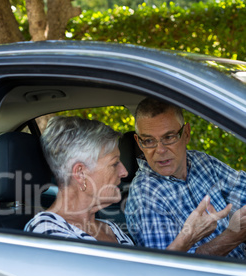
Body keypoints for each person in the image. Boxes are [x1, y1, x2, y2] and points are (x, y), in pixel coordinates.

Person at [25, 116, 230, 251]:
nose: (124, 172)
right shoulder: (47, 232)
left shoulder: (111, 228)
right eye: (114, 164)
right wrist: (187, 238)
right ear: (80, 173)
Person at [125, 97, 246, 258]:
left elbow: (242, 189)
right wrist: (232, 237)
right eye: (148, 140)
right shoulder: (144, 194)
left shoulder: (202, 162)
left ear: (186, 134)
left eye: (169, 137)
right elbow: (171, 270)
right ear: (139, 143)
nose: (160, 150)